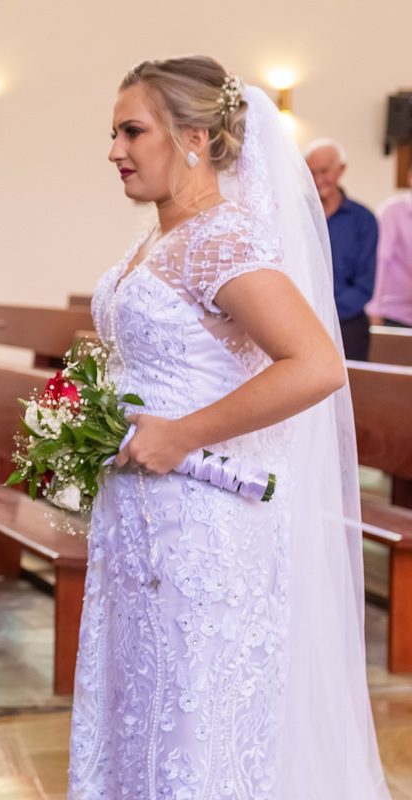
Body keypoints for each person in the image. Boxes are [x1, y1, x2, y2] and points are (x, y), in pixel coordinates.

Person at [70, 55, 391, 799]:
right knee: (140, 702)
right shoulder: (159, 238)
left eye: (132, 131)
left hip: (202, 524)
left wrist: (182, 433)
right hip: (140, 519)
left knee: (194, 718)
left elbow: (316, 364)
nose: (114, 150)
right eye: (114, 133)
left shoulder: (222, 239)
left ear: (195, 139)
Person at [305, 138, 379, 359]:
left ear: (341, 170)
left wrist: (326, 311)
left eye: (324, 171)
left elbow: (364, 285)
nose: (318, 180)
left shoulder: (363, 220)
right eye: (312, 172)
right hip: (302, 322)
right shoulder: (298, 215)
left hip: (348, 326)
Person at [368, 162, 412, 328]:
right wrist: (373, 311)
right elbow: (379, 261)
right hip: (394, 315)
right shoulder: (392, 211)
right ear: (410, 177)